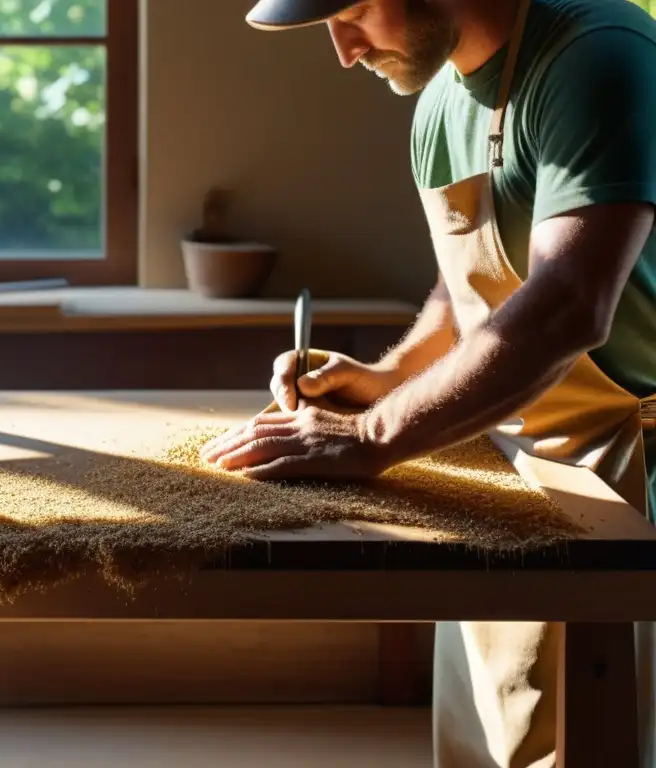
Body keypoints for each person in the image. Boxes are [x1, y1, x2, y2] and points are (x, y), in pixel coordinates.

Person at [200, 0, 656, 765]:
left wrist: (373, 434)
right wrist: (384, 380)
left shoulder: (599, 57)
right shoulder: (440, 103)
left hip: (629, 480)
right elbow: (471, 292)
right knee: (489, 740)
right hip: (516, 473)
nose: (344, 51)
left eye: (354, 12)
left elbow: (570, 303)